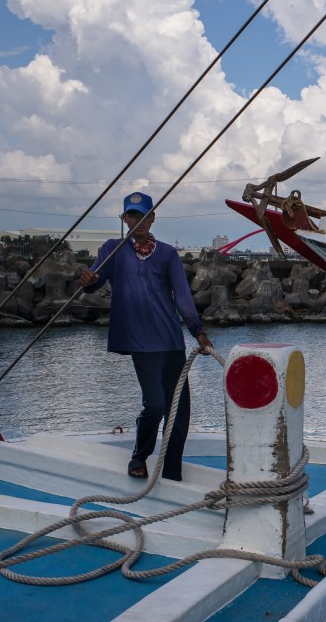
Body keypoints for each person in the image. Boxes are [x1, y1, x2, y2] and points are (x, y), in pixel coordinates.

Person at [79, 192, 212, 481]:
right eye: (132, 215)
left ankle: (172, 471)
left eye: (143, 216)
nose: (137, 221)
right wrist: (88, 281)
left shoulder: (167, 254)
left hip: (171, 341)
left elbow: (183, 296)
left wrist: (198, 331)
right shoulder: (113, 250)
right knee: (155, 404)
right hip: (141, 342)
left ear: (152, 218)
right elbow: (94, 280)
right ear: (124, 219)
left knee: (178, 412)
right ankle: (139, 455)